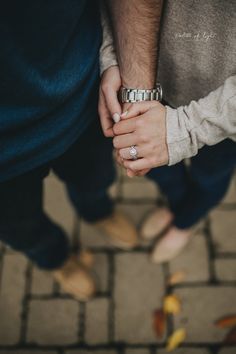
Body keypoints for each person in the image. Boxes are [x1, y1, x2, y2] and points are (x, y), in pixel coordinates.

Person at [0, 0, 164, 301]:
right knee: (19, 223)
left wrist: (133, 84)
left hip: (78, 93)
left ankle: (97, 212)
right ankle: (55, 259)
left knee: (94, 176)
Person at [99, 0, 236, 263]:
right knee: (155, 169)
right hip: (147, 82)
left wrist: (185, 129)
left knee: (210, 177)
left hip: (224, 117)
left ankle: (186, 221)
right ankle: (178, 205)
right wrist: (113, 55)